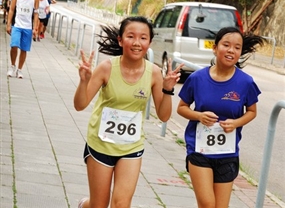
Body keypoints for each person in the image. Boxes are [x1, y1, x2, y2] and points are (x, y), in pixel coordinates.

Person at [74, 16, 183, 208]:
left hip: (131, 146)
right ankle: (85, 205)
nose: (136, 43)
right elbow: (80, 105)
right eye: (131, 36)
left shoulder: (154, 72)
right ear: (120, 40)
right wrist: (84, 81)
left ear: (149, 42)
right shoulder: (107, 68)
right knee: (99, 205)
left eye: (143, 38)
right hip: (101, 144)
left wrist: (167, 90)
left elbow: (164, 116)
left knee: (121, 204)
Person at [177, 27, 265, 208]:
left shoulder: (246, 82)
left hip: (227, 153)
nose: (231, 50)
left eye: (237, 47)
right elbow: (182, 108)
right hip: (199, 149)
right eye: (226, 45)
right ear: (215, 48)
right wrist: (199, 116)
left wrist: (236, 123)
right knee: (208, 204)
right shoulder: (197, 78)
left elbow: (252, 111)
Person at [6, 0, 39, 79]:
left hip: (28, 27)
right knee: (14, 45)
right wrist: (8, 24)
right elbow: (11, 10)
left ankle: (20, 69)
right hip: (17, 25)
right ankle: (12, 66)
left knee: (24, 49)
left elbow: (36, 14)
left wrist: (35, 28)